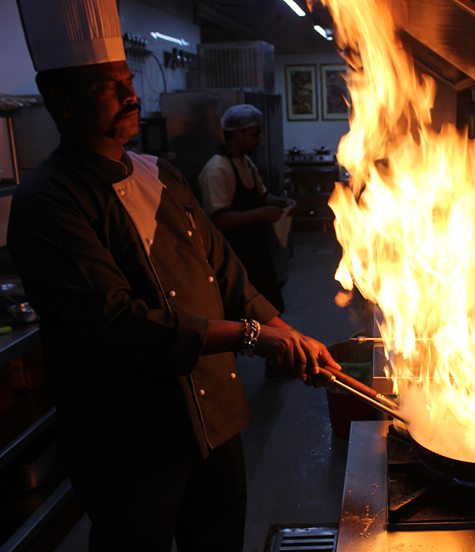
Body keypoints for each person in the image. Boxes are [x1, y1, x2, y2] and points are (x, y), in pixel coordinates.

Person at [9, 2, 339, 551]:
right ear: (61, 103)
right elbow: (118, 323)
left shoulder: (160, 173)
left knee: (219, 542)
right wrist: (256, 338)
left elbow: (228, 275)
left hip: (216, 420)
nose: (130, 95)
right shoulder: (48, 202)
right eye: (105, 88)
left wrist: (288, 333)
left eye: (127, 80)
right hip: (130, 439)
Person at [198, 105, 295, 313]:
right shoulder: (216, 169)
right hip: (232, 255)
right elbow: (220, 219)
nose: (259, 139)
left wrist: (283, 202)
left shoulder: (246, 162)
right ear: (237, 134)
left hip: (256, 249)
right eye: (254, 134)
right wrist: (263, 213)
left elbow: (262, 196)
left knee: (267, 308)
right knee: (244, 313)